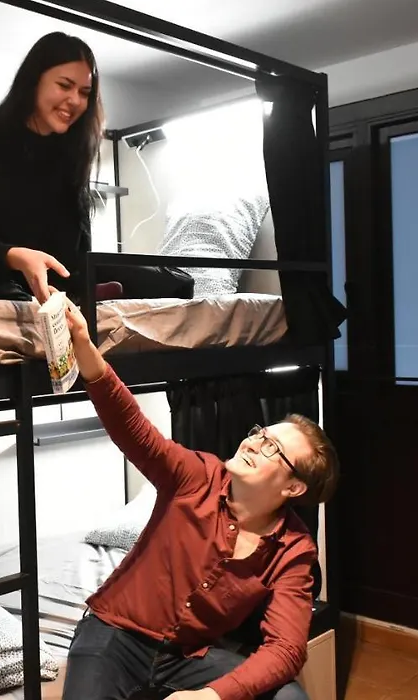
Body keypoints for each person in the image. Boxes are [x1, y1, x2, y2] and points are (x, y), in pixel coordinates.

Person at [53, 290, 339, 700]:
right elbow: (133, 429)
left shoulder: (293, 550)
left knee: (289, 697)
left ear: (293, 487)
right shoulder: (197, 476)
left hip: (186, 656)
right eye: (261, 433)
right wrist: (84, 345)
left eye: (273, 448)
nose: (254, 442)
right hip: (114, 635)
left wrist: (212, 695)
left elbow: (286, 649)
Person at [0, 32, 194, 305]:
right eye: (64, 86)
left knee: (176, 282)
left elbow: (80, 249)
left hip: (63, 278)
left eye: (84, 93)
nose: (75, 100)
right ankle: (55, 299)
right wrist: (18, 256)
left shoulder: (72, 151)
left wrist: (85, 279)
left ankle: (80, 296)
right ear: (34, 81)